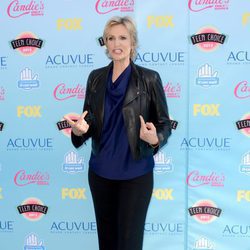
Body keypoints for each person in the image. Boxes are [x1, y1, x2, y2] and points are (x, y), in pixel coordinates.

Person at [64, 16, 172, 250]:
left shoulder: (149, 78)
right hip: (100, 173)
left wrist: (155, 139)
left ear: (133, 42)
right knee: (107, 243)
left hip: (135, 174)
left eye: (122, 37)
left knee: (129, 244)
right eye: (111, 38)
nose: (116, 43)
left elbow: (164, 124)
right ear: (105, 42)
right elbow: (88, 121)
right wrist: (80, 130)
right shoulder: (95, 78)